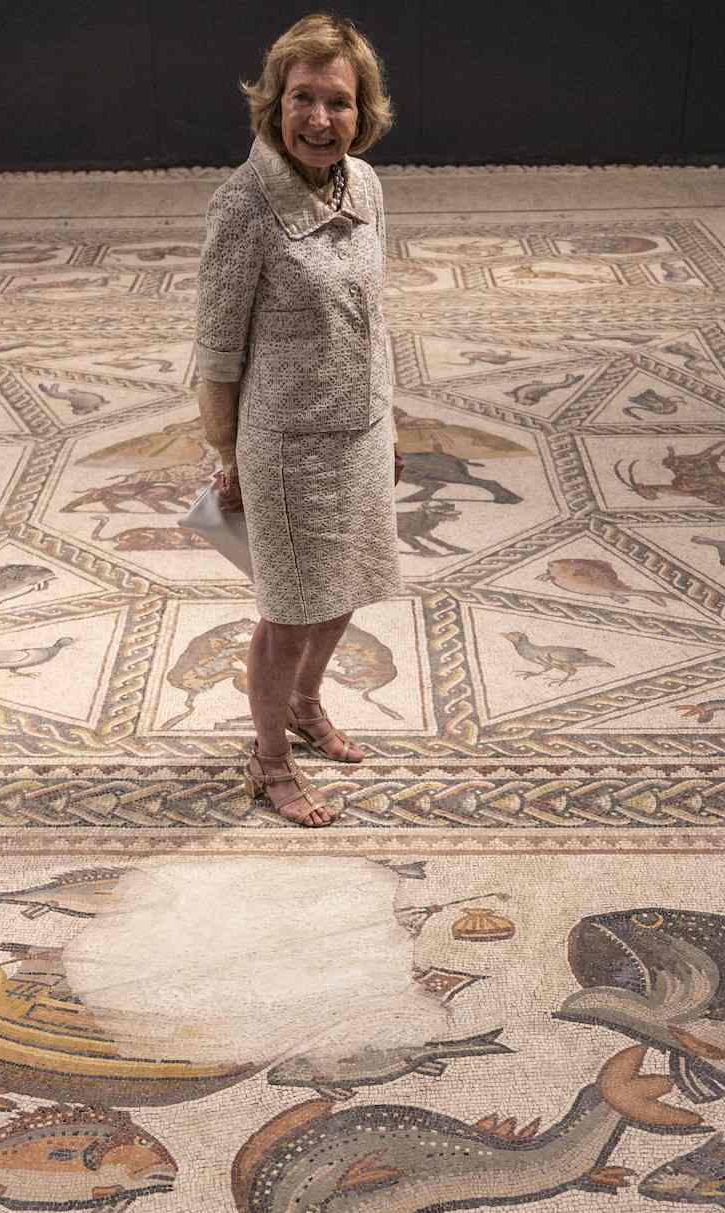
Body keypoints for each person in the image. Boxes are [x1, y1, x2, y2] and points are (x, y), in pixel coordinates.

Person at [192, 13, 404, 828]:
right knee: (287, 612)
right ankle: (269, 759)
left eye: (339, 103)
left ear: (365, 111)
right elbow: (216, 350)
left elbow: (376, 318)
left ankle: (307, 708)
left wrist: (391, 424)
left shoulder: (369, 187)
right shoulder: (245, 205)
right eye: (302, 99)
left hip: (360, 428)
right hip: (281, 446)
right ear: (273, 104)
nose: (320, 119)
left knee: (345, 588)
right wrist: (227, 455)